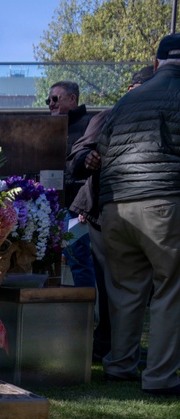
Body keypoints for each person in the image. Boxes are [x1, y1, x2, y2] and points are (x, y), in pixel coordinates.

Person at [95, 34, 180, 396]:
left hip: (115, 206)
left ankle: (119, 364)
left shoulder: (126, 99)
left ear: (157, 62)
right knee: (170, 288)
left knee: (126, 290)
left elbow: (101, 147)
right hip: (163, 201)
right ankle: (161, 377)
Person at [68, 65, 154, 363]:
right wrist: (86, 159)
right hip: (102, 212)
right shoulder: (108, 116)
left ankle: (124, 350)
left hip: (143, 212)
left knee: (136, 288)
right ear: (132, 89)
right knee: (110, 285)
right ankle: (107, 344)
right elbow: (76, 157)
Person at [48, 79, 97, 290]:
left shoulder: (89, 124)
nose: (50, 104)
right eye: (48, 100)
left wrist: (86, 205)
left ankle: (86, 310)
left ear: (72, 99)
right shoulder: (49, 128)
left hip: (77, 207)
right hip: (52, 205)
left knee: (77, 255)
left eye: (55, 98)